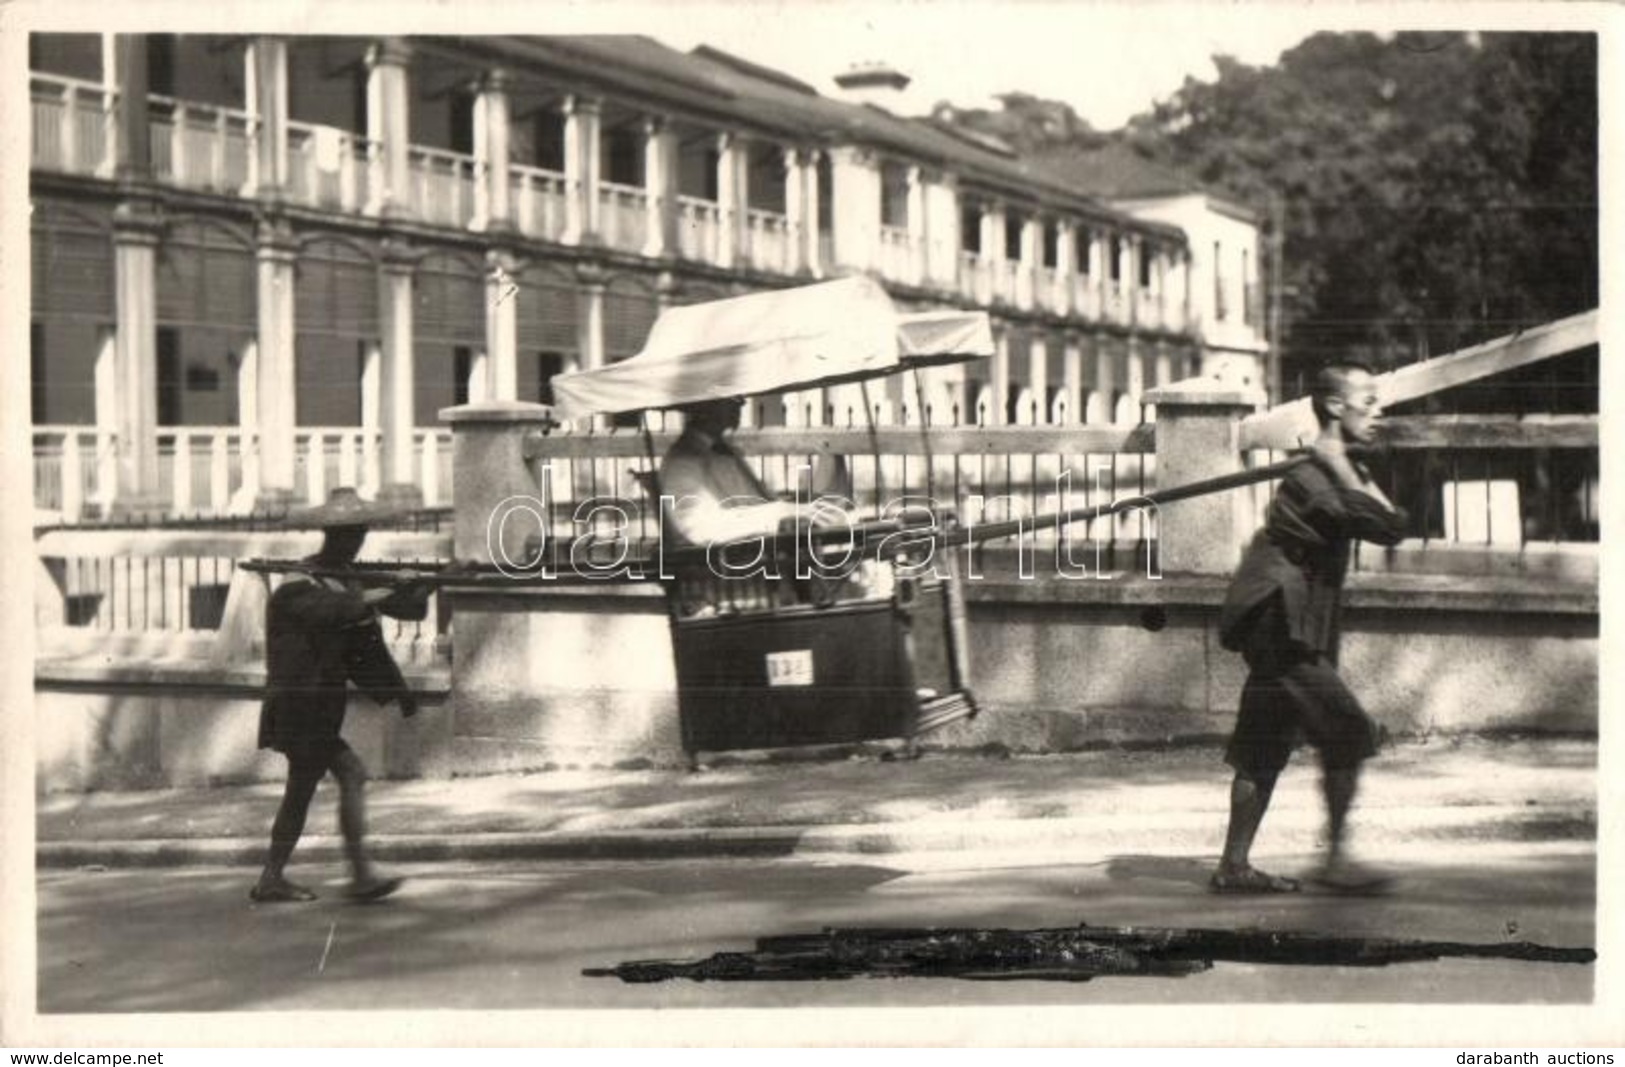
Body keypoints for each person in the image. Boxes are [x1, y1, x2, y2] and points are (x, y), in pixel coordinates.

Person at [1211, 363, 1409, 895]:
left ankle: (1233, 867)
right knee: (1347, 730)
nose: (1378, 410)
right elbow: (1385, 527)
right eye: (1368, 400)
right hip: (1278, 619)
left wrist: (1344, 465)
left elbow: (1392, 522)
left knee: (1263, 743)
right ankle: (1337, 861)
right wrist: (1338, 466)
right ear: (1336, 406)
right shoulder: (1311, 477)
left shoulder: (1339, 468)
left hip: (1284, 619)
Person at [250, 488, 430, 905]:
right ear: (329, 535)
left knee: (305, 789)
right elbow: (339, 609)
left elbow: (408, 611)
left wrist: (422, 586)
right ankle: (357, 875)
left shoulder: (346, 578)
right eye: (348, 533)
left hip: (319, 706)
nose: (355, 540)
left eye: (359, 532)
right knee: (347, 775)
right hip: (298, 706)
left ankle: (273, 877)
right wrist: (384, 592)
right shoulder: (298, 587)